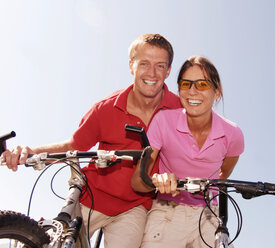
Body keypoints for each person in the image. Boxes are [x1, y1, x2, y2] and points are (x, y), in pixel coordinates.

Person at [0, 33, 182, 247]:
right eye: (144, 63)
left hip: (135, 207)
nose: (152, 73)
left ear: (168, 70)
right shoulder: (105, 108)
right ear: (131, 66)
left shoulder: (180, 111)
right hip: (91, 196)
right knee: (55, 242)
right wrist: (29, 151)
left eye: (160, 66)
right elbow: (73, 146)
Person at [131, 56, 245, 248]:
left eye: (202, 84)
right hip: (167, 211)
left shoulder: (233, 134)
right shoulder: (163, 121)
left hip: (208, 214)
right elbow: (137, 182)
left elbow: (224, 175)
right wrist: (156, 181)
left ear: (216, 92)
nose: (192, 91)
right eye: (186, 84)